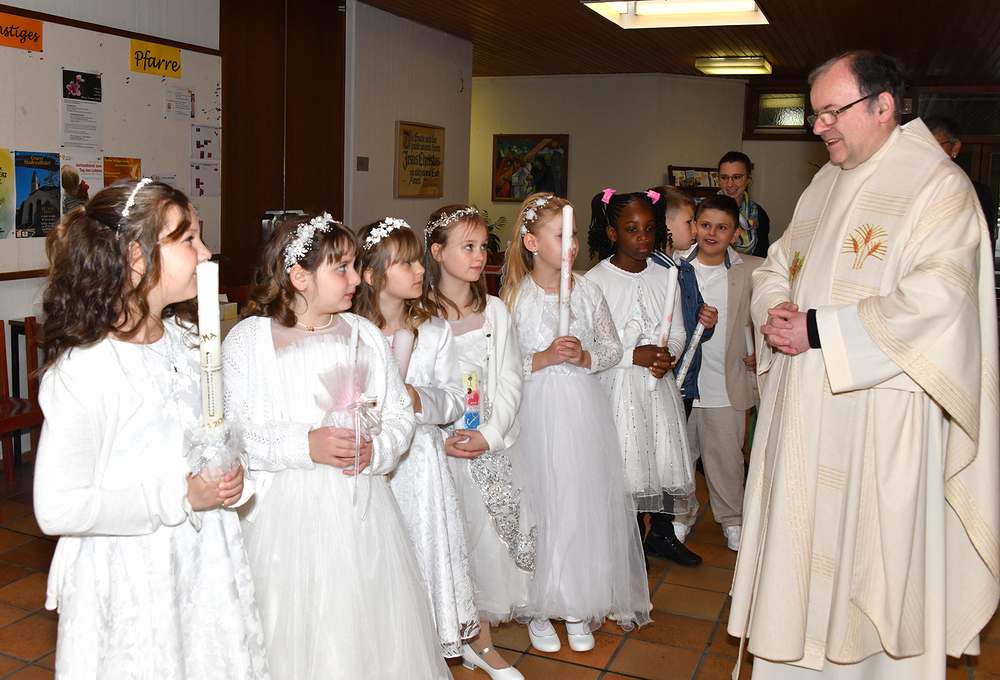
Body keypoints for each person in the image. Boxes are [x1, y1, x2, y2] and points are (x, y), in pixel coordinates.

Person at [729, 50, 1000, 679]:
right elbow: (776, 264)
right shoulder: (825, 182)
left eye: (832, 111)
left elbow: (939, 302)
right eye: (814, 114)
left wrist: (819, 328)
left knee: (873, 570)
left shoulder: (938, 188)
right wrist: (776, 309)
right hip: (805, 412)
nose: (819, 126)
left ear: (883, 106)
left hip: (879, 417)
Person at [33, 178, 268, 679]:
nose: (206, 253)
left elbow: (205, 433)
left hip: (201, 560)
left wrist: (229, 474)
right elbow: (57, 508)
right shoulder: (88, 368)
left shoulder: (187, 339)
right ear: (136, 257)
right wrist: (180, 496)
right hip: (132, 574)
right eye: (188, 239)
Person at [222, 214, 449, 680]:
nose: (355, 279)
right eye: (341, 268)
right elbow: (238, 431)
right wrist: (305, 444)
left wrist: (376, 450)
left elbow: (398, 415)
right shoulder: (249, 340)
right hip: (283, 514)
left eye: (354, 266)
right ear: (299, 276)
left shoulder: (363, 333)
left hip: (360, 507)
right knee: (292, 629)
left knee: (361, 626)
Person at [502, 192, 651, 654]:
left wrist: (585, 356)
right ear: (531, 242)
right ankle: (538, 604)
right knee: (540, 502)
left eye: (572, 237)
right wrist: (542, 358)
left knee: (578, 501)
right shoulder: (515, 298)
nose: (570, 246)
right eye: (559, 236)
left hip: (580, 409)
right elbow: (498, 365)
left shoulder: (587, 290)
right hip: (533, 411)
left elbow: (610, 347)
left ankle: (575, 602)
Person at [352, 217, 479, 660]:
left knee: (419, 552)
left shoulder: (434, 330)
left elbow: (454, 399)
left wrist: (415, 397)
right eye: (406, 263)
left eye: (418, 261)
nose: (421, 270)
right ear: (372, 276)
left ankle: (419, 648)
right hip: (367, 460)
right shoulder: (350, 331)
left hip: (418, 463)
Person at [423, 204, 534, 680]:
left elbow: (510, 379)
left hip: (488, 442)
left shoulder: (494, 311)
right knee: (446, 542)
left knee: (483, 545)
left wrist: (488, 435)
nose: (479, 255)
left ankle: (480, 641)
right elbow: (414, 387)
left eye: (483, 246)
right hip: (437, 448)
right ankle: (439, 637)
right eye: (467, 246)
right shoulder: (419, 314)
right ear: (437, 252)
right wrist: (438, 438)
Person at [583, 188, 701, 568]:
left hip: (657, 388)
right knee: (626, 466)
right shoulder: (596, 281)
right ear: (612, 232)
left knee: (660, 458)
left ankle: (660, 536)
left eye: (650, 229)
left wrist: (668, 355)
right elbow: (588, 347)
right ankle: (627, 544)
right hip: (616, 388)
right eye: (632, 229)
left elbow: (677, 330)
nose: (643, 237)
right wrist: (633, 356)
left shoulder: (666, 275)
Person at [680, 194, 761, 553]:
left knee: (727, 459)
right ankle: (679, 517)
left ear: (735, 234)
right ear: (694, 227)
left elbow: (762, 317)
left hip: (725, 383)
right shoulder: (674, 267)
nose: (712, 233)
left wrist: (759, 350)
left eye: (722, 227)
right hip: (682, 384)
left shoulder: (751, 271)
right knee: (681, 457)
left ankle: (732, 519)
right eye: (706, 225)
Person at [650, 186, 719, 421]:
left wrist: (706, 322)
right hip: (659, 381)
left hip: (685, 381)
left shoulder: (686, 270)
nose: (695, 229)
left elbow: (693, 323)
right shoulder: (651, 270)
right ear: (664, 224)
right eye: (689, 222)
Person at [924, 116, 997, 251]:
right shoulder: (907, 190)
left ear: (955, 148)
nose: (929, 152)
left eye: (937, 145)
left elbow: (984, 249)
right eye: (922, 146)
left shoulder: (977, 194)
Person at [717, 151, 770, 258]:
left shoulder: (760, 215)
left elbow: (763, 257)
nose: (730, 184)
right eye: (724, 178)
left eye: (737, 177)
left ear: (749, 178)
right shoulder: (704, 212)